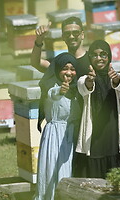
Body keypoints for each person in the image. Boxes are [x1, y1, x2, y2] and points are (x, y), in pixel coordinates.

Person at [74, 40, 120, 178]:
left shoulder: (118, 76)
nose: (99, 58)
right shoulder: (84, 78)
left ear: (109, 57)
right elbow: (84, 87)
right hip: (94, 136)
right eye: (94, 55)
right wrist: (90, 80)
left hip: (113, 134)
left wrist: (116, 78)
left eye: (103, 54)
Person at [34, 53, 80, 200]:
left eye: (72, 69)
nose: (68, 73)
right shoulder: (51, 86)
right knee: (54, 174)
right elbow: (52, 95)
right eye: (64, 68)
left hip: (72, 136)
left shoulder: (77, 89)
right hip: (55, 137)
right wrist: (60, 91)